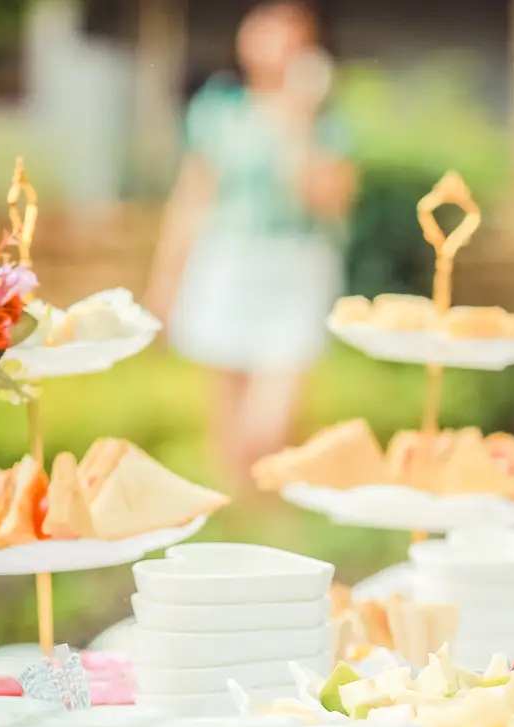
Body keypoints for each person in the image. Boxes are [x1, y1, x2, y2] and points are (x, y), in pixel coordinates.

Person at [145, 2, 357, 484]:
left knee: (271, 424)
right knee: (227, 421)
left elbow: (327, 201)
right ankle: (241, 522)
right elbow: (191, 198)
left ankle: (273, 511)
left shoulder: (326, 123)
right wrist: (165, 282)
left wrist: (298, 122)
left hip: (295, 266)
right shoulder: (221, 108)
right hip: (227, 261)